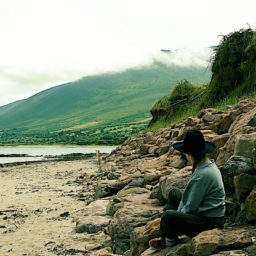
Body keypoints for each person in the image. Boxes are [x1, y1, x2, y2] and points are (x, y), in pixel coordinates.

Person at [148, 129, 226, 250]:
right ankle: (167, 231)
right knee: (174, 193)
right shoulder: (208, 164)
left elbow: (190, 208)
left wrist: (174, 218)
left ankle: (169, 240)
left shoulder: (202, 175)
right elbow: (191, 200)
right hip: (206, 213)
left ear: (190, 154)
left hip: (209, 222)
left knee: (168, 215)